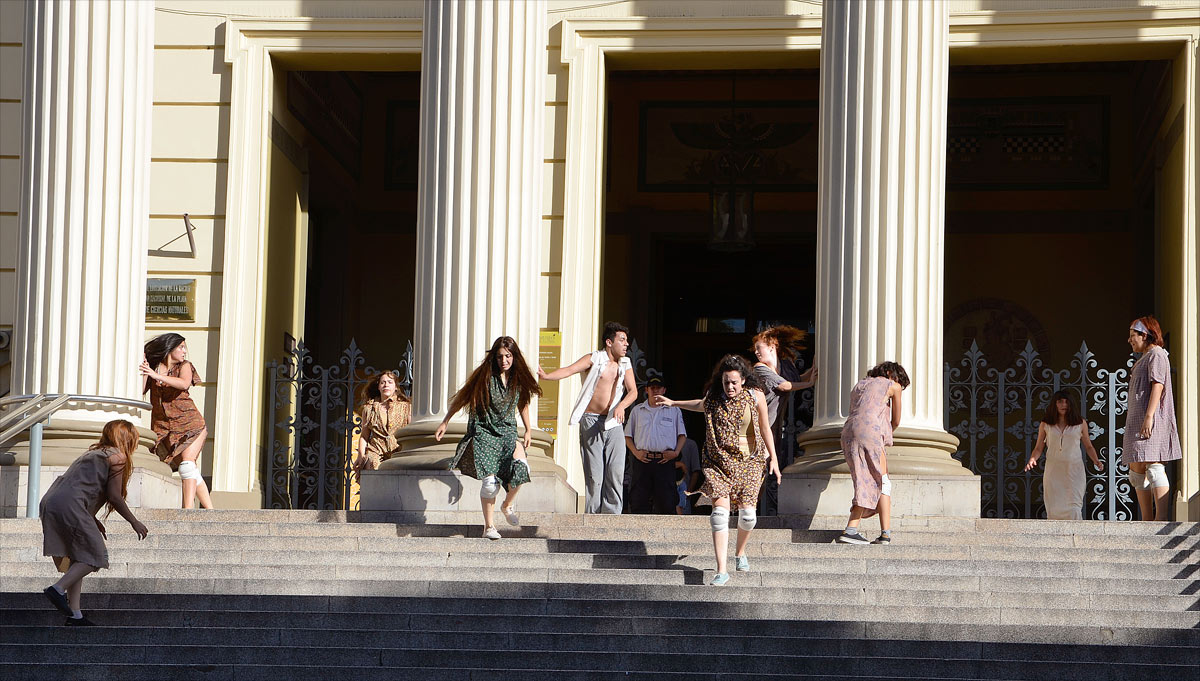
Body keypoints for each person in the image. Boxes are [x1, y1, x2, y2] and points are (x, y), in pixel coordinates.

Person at [655, 354, 781, 586]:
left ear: (743, 380)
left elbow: (765, 427)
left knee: (748, 517)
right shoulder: (714, 398)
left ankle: (740, 552)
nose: (730, 386)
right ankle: (721, 570)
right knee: (719, 515)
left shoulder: (755, 396)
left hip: (750, 462)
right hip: (719, 463)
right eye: (726, 382)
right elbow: (699, 405)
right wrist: (674, 403)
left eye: (734, 382)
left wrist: (773, 458)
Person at [40, 419, 149, 626]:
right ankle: (57, 589)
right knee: (95, 555)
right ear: (129, 438)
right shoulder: (117, 456)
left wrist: (90, 517)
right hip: (71, 504)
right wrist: (134, 522)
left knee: (78, 556)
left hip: (53, 501)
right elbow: (115, 497)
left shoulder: (92, 454)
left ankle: (75, 614)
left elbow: (81, 487)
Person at [437, 336, 542, 540]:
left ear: (514, 357)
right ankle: (489, 527)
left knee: (523, 469)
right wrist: (445, 421)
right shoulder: (485, 377)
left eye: (508, 356)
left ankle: (507, 505)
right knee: (490, 484)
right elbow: (462, 398)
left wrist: (528, 429)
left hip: (508, 433)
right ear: (494, 357)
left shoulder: (517, 380)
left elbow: (523, 404)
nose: (504, 360)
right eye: (500, 356)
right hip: (485, 433)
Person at [538, 322, 638, 514]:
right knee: (595, 474)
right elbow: (569, 369)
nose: (626, 344)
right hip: (591, 420)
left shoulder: (625, 363)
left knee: (616, 471)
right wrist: (547, 376)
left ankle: (612, 515)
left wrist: (621, 406)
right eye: (622, 340)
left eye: (627, 340)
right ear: (609, 342)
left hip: (613, 422)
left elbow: (633, 391)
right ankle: (593, 514)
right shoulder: (595, 358)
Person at [836, 362, 908, 545]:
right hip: (870, 433)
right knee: (881, 481)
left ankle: (868, 531)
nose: (899, 385)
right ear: (890, 373)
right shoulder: (892, 385)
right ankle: (864, 531)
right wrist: (882, 433)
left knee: (864, 479)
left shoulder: (859, 385)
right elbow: (896, 420)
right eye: (899, 380)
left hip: (848, 432)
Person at [141, 333, 213, 509]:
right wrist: (146, 370)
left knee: (187, 464)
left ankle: (187, 511)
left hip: (190, 423)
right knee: (189, 468)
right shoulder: (155, 368)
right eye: (180, 347)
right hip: (165, 428)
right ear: (169, 348)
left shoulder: (185, 366)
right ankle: (211, 511)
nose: (184, 351)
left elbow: (184, 384)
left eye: (184, 347)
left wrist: (157, 376)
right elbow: (141, 391)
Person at [750, 325, 817, 514]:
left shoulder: (785, 365)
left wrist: (812, 370)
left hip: (773, 427)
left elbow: (796, 378)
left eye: (759, 348)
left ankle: (748, 512)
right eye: (755, 349)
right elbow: (786, 386)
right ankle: (744, 512)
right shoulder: (760, 368)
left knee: (763, 473)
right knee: (756, 473)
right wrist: (809, 383)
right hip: (756, 429)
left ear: (773, 346)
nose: (756, 352)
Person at [1123, 316, 1182, 521]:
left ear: (1145, 335)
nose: (1130, 340)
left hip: (1151, 419)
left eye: (1133, 336)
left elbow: (1158, 385)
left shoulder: (1156, 354)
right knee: (1137, 467)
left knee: (1154, 466)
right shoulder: (1144, 357)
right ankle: (1147, 519)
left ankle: (1161, 518)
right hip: (1138, 421)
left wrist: (1149, 417)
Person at [1023, 390, 1103, 520]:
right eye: (1060, 401)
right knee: (1053, 508)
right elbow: (1038, 447)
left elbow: (1088, 446)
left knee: (1074, 507)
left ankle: (1076, 537)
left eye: (1066, 402)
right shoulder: (1046, 424)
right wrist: (1032, 459)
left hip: (1074, 472)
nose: (1063, 405)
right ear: (1055, 404)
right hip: (1053, 472)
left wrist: (1096, 460)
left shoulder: (1080, 423)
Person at [624, 376, 688, 514]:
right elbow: (627, 436)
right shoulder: (637, 411)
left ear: (664, 390)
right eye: (652, 388)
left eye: (658, 388)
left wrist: (676, 453)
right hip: (643, 460)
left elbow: (682, 435)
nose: (655, 391)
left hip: (664, 461)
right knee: (638, 502)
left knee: (667, 502)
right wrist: (636, 453)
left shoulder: (674, 410)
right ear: (647, 390)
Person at [352, 371, 412, 481]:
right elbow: (364, 435)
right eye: (382, 382)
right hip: (376, 450)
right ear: (378, 387)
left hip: (398, 450)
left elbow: (411, 431)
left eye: (390, 382)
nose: (386, 385)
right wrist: (360, 455)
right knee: (373, 467)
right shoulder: (369, 409)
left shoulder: (406, 407)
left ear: (396, 387)